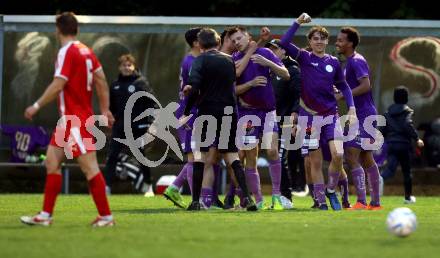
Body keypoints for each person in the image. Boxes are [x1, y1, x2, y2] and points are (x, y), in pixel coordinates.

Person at [20, 12, 115, 227]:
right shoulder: (87, 51)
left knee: (90, 168)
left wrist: (36, 106)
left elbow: (58, 84)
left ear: (58, 30)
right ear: (76, 29)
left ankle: (106, 217)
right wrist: (105, 110)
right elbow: (101, 80)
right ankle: (45, 215)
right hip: (69, 122)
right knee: (51, 162)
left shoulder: (67, 51)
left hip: (75, 120)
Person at [280, 13, 356, 210]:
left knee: (338, 155)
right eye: (315, 38)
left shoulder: (333, 62)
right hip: (308, 119)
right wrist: (297, 22)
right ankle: (321, 200)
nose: (319, 41)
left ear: (327, 41)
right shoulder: (304, 58)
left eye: (322, 38)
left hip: (331, 115)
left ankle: (331, 190)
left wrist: (352, 108)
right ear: (310, 42)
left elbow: (345, 87)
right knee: (314, 161)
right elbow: (284, 42)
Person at [180, 27, 257, 211]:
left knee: (200, 155)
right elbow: (230, 87)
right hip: (229, 112)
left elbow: (195, 87)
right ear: (219, 42)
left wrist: (187, 110)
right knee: (232, 156)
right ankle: (247, 199)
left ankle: (196, 201)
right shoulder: (229, 60)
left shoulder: (199, 60)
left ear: (200, 45)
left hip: (208, 112)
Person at [229, 26, 290, 210]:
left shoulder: (264, 53)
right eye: (233, 41)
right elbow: (232, 90)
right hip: (247, 114)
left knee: (272, 151)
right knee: (250, 157)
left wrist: (268, 63)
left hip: (269, 112)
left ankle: (277, 197)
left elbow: (286, 74)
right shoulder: (233, 61)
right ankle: (259, 200)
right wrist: (250, 84)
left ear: (248, 37)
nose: (237, 42)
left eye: (239, 38)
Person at [335, 27, 382, 210]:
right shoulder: (349, 63)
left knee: (351, 154)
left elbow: (366, 86)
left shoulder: (356, 61)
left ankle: (362, 201)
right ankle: (375, 203)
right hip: (361, 115)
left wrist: (342, 96)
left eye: (340, 40)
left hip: (365, 115)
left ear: (350, 43)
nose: (337, 43)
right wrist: (340, 92)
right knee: (366, 157)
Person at [104, 54, 157, 197]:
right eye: (123, 65)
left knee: (140, 156)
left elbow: (152, 104)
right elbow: (111, 107)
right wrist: (110, 116)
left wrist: (150, 123)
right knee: (112, 156)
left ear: (133, 67)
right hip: (120, 127)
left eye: (129, 65)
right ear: (119, 67)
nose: (126, 68)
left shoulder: (141, 83)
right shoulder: (114, 85)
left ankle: (148, 185)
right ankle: (106, 187)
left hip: (137, 127)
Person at [265, 39, 304, 204]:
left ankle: (286, 196)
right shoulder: (270, 70)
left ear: (284, 51)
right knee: (275, 157)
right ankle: (281, 194)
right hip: (270, 118)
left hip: (286, 118)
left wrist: (295, 113)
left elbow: (298, 94)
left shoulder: (292, 69)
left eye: (275, 48)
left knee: (280, 157)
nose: (272, 51)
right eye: (271, 49)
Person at [380, 86, 424, 204]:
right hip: (404, 145)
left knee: (390, 168)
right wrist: (417, 138)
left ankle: (380, 179)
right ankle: (408, 198)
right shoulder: (408, 111)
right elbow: (407, 125)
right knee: (406, 171)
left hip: (392, 144)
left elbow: (383, 130)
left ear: (394, 98)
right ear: (406, 98)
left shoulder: (387, 113)